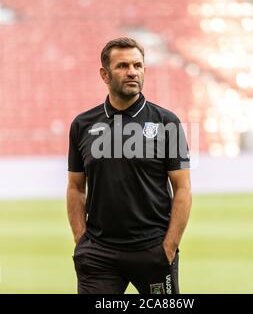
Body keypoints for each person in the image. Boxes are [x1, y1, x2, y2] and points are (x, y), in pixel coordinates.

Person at [67, 37, 192, 294]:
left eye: (138, 65)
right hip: (99, 253)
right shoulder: (82, 125)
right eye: (122, 66)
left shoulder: (167, 123)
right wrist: (82, 242)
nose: (132, 72)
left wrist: (169, 247)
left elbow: (182, 189)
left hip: (152, 251)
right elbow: (76, 187)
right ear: (104, 74)